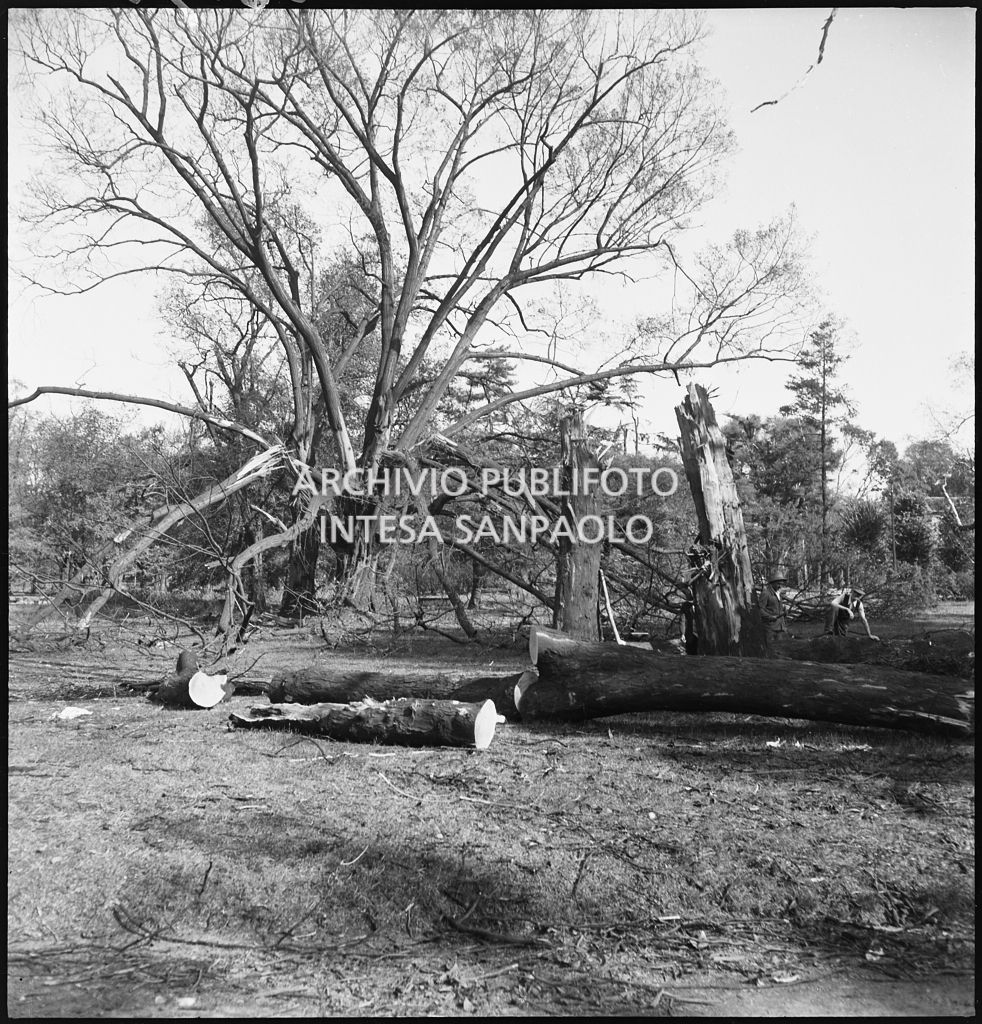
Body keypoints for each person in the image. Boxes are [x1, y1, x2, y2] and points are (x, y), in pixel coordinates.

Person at [759, 573, 788, 642]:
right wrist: (769, 617)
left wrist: (784, 612)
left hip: (780, 627)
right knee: (771, 646)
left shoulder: (778, 593)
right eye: (778, 584)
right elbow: (760, 609)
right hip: (770, 628)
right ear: (772, 583)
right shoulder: (766, 593)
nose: (780, 586)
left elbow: (776, 609)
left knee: (780, 646)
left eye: (781, 584)